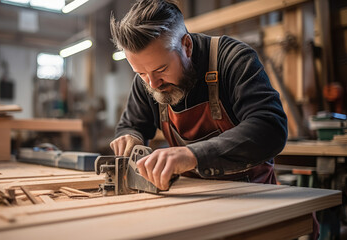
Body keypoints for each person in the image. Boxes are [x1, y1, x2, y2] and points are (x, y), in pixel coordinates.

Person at [109, 0, 287, 191]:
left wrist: (193, 156)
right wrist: (131, 137)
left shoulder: (233, 59)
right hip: (191, 195)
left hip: (254, 194)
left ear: (186, 45)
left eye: (161, 69)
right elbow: (132, 125)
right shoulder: (148, 81)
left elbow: (270, 127)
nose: (153, 84)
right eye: (141, 73)